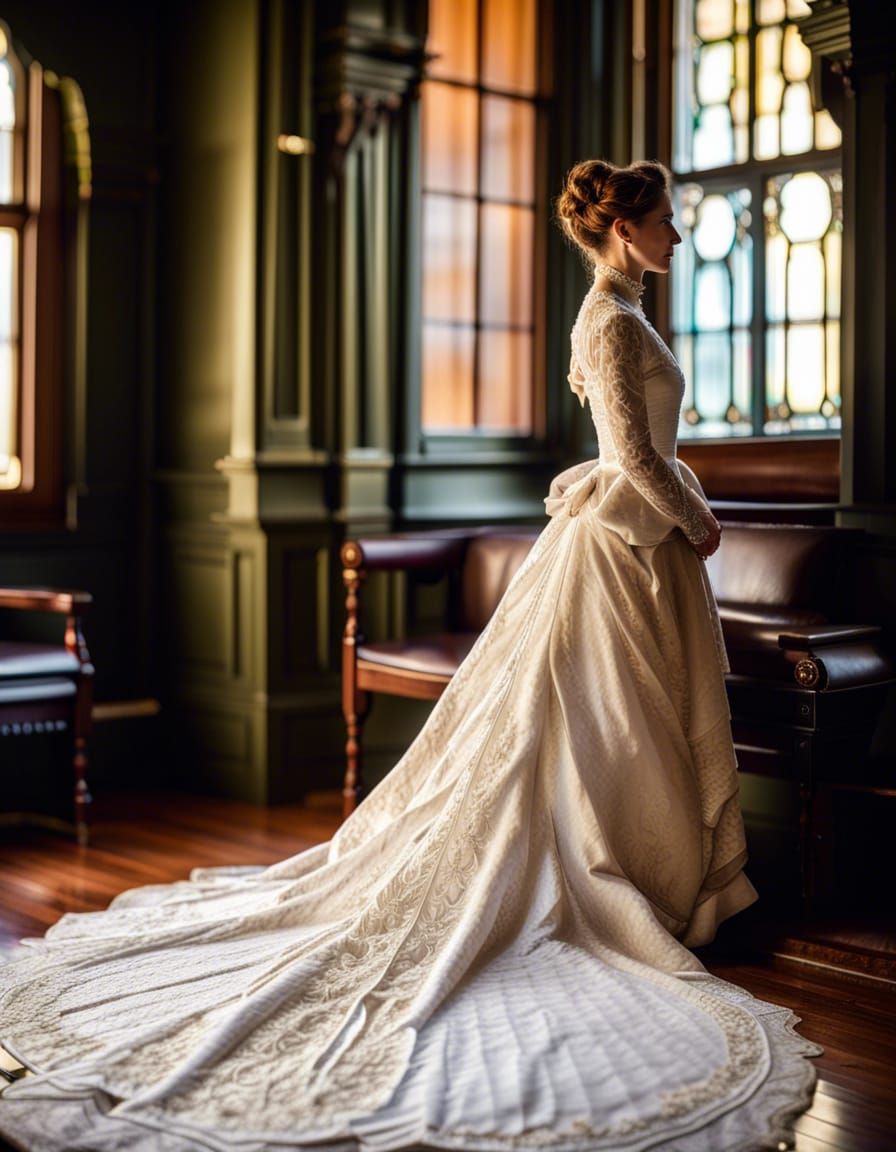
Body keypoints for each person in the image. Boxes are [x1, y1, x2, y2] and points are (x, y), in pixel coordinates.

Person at [0, 159, 820, 1151]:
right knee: (605, 726)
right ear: (620, 231)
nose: (676, 237)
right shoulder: (606, 321)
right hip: (623, 547)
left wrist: (682, 521)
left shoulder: (621, 310)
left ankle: (652, 884)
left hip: (638, 551)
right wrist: (696, 518)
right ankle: (609, 887)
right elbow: (630, 457)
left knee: (626, 726)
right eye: (662, 222)